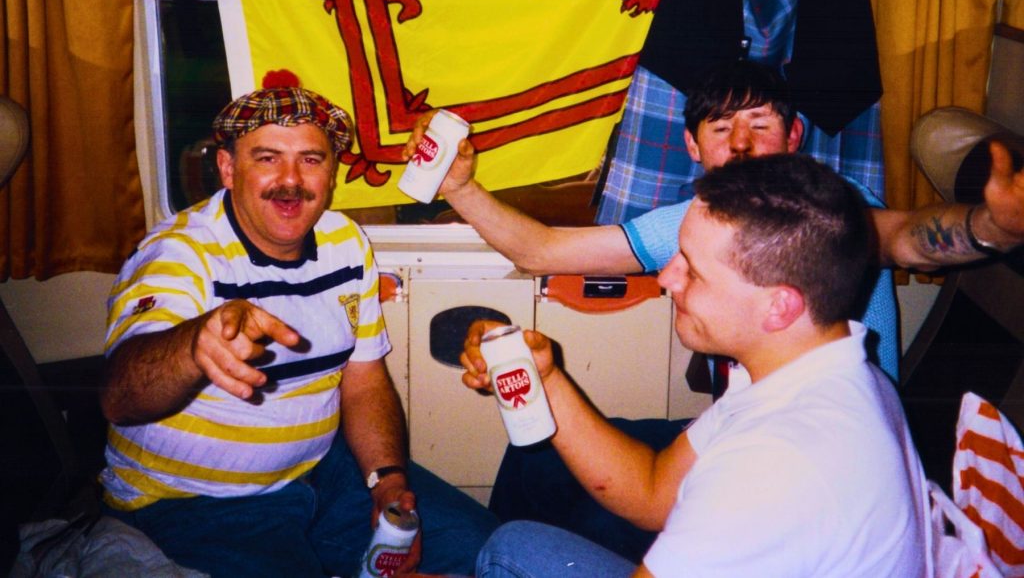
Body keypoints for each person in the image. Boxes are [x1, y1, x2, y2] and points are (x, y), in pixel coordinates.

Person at [404, 59, 1024, 561]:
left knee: (529, 545)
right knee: (532, 461)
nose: (744, 145)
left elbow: (912, 238)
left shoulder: (825, 218)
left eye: (760, 123)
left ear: (795, 137)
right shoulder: (701, 220)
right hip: (744, 421)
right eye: (722, 129)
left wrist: (987, 228)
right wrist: (458, 187)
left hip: (789, 463)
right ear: (693, 147)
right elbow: (543, 251)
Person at [462, 154, 931, 577]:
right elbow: (652, 492)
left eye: (692, 268)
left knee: (510, 550)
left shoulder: (778, 461)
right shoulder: (810, 367)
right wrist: (544, 380)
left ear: (778, 308)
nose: (667, 278)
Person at [99, 83, 497, 578]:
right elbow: (121, 395)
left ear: (331, 174)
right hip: (195, 503)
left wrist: (387, 481)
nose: (290, 181)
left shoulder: (346, 243)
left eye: (311, 160)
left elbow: (364, 380)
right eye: (267, 158)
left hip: (323, 474)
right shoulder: (179, 254)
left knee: (487, 552)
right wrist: (192, 345)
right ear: (227, 168)